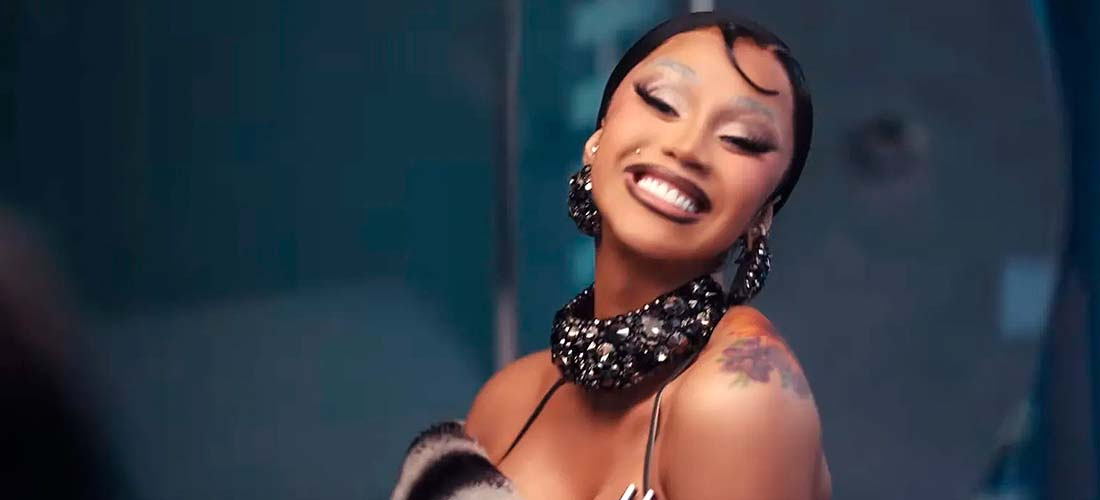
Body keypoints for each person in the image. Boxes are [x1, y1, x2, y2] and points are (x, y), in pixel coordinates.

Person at [392, 11, 829, 500]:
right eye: (662, 102)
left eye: (741, 139)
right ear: (597, 138)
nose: (687, 148)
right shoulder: (507, 400)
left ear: (763, 214)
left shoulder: (741, 395)